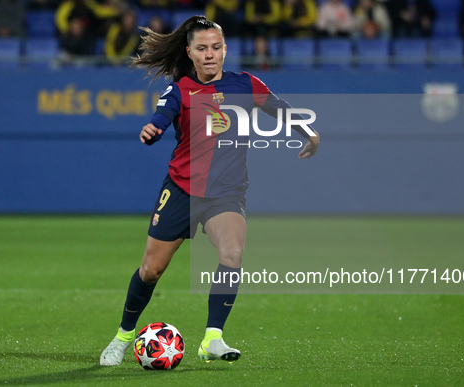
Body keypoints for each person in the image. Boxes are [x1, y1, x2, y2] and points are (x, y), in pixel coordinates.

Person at [99, 15, 320, 366]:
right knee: (150, 270)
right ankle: (123, 336)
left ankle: (212, 338)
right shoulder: (180, 90)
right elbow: (161, 116)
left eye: (216, 48)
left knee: (232, 253)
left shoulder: (246, 84)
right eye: (201, 49)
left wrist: (308, 133)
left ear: (225, 50)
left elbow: (282, 110)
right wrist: (152, 129)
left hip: (225, 195)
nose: (209, 55)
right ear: (189, 52)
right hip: (183, 190)